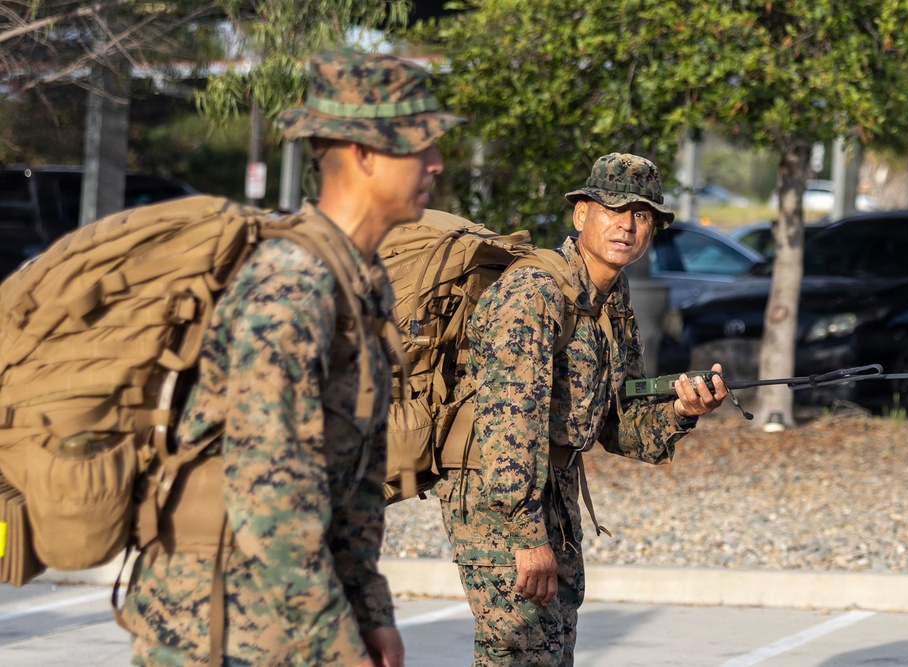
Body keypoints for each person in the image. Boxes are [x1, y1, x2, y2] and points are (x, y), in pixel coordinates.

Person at [123, 49, 463, 666]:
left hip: (283, 616)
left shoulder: (360, 280)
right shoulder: (291, 284)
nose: (436, 163)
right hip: (217, 627)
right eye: (420, 146)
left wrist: (369, 611)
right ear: (363, 154)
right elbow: (270, 491)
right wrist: (334, 644)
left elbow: (357, 480)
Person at [434, 152, 728, 666]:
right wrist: (527, 535)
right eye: (614, 210)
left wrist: (683, 412)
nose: (627, 226)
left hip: (555, 486)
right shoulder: (534, 293)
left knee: (553, 649)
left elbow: (621, 427)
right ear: (581, 216)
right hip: (497, 491)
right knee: (518, 648)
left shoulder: (611, 301)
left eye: (642, 216)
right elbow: (508, 421)